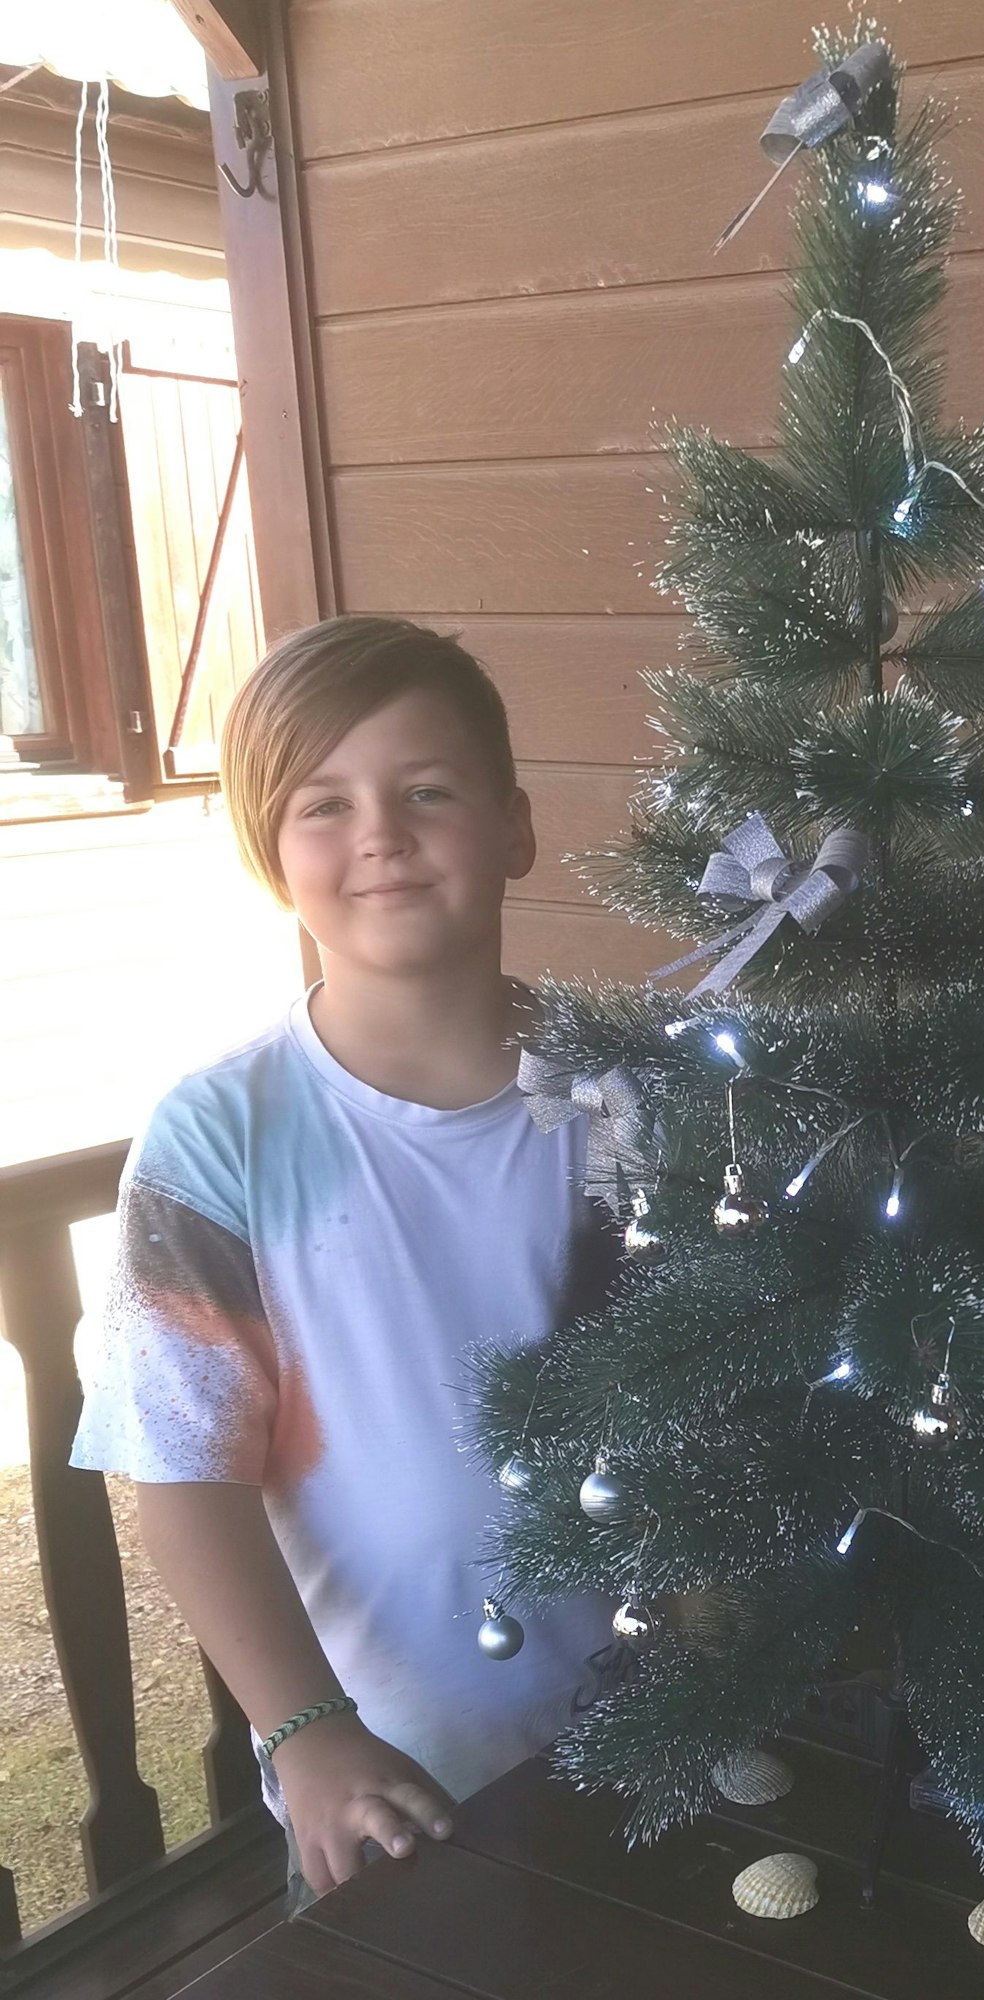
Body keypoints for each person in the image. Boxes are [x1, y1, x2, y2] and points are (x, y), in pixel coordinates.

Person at [71, 617, 615, 1906]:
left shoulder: (631, 1096)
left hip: (683, 1716)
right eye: (324, 803)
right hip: (393, 1778)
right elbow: (187, 1473)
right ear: (272, 855)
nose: (381, 830)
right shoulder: (222, 1137)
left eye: (428, 789)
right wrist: (306, 1730)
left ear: (515, 826)